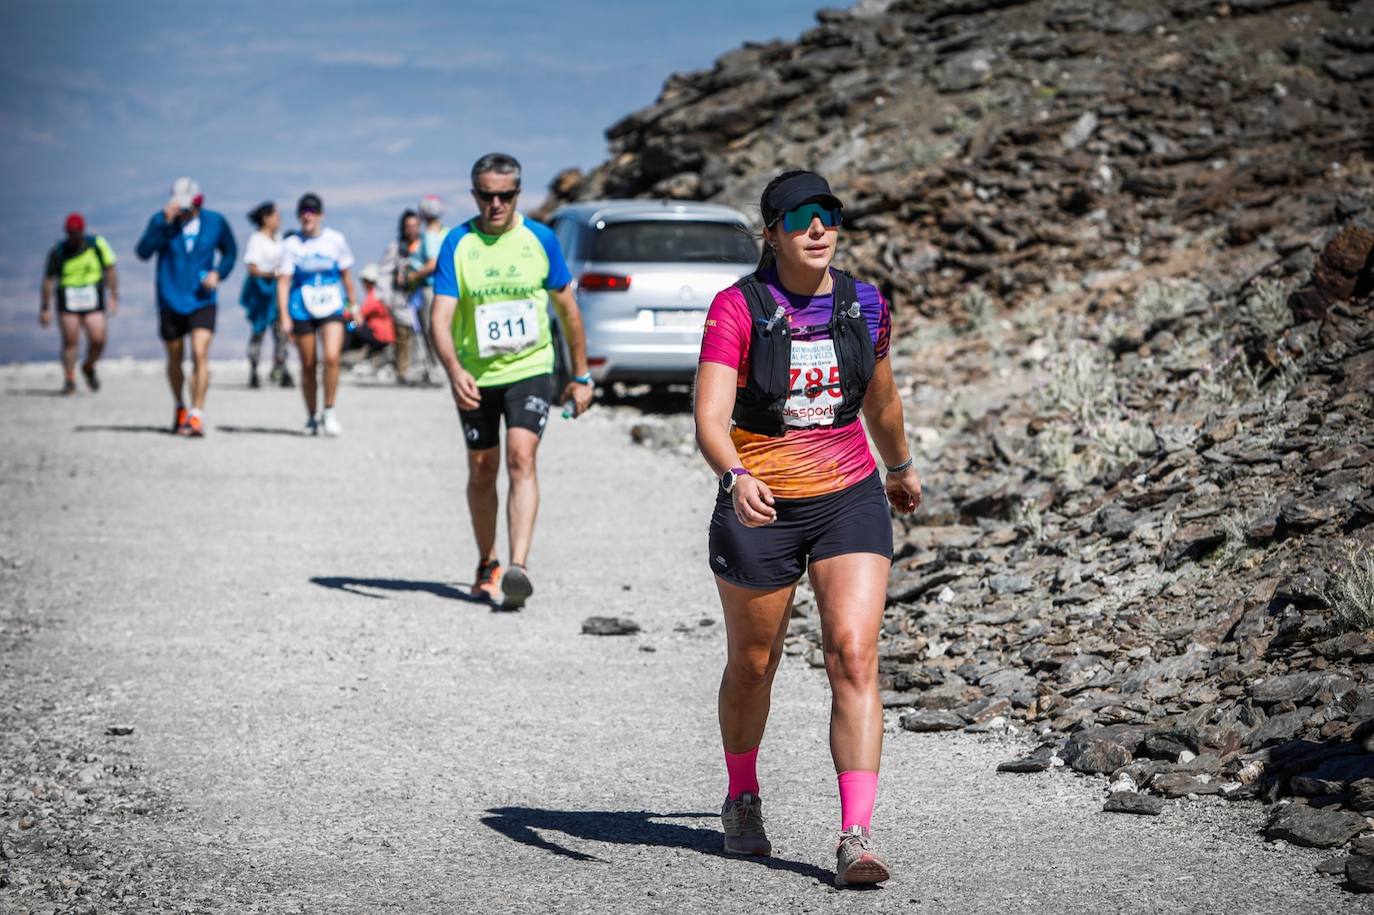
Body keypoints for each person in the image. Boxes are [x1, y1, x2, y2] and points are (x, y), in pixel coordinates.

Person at [692, 170, 922, 887]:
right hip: (760, 497)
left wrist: (900, 465)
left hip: (848, 494)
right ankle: (741, 793)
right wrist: (735, 474)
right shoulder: (738, 307)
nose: (818, 228)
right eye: (800, 217)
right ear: (772, 232)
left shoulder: (864, 302)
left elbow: (880, 396)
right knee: (754, 664)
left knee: (853, 656)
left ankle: (856, 835)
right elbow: (708, 416)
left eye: (828, 214)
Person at [430, 153, 594, 609]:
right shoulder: (457, 243)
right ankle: (488, 562)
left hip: (531, 369)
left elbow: (568, 311)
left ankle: (518, 568)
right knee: (483, 469)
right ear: (475, 194)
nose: (496, 204)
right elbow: (440, 318)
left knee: (521, 458)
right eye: (487, 196)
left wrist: (580, 375)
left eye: (505, 195)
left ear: (518, 194)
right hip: (476, 376)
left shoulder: (540, 239)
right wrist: (454, 369)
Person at [136, 177, 237, 437]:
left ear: (197, 203)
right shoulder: (163, 222)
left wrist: (219, 273)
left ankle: (196, 413)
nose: (183, 211)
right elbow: (143, 251)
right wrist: (163, 223)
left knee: (200, 354)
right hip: (170, 298)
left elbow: (230, 252)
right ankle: (180, 405)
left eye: (187, 207)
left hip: (202, 298)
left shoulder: (215, 222)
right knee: (175, 357)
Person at [277, 192, 358, 437]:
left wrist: (354, 306)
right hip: (301, 307)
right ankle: (312, 415)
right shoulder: (291, 244)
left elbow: (346, 275)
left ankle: (330, 411)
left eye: (312, 211)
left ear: (320, 215)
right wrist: (284, 317)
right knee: (308, 364)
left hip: (331, 304)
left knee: (332, 357)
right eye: (303, 211)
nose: (307, 216)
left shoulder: (335, 240)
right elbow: (283, 282)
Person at [40, 213, 118, 394]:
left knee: (98, 339)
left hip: (93, 298)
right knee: (70, 340)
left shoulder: (96, 245)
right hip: (68, 299)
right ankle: (69, 379)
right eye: (70, 232)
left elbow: (111, 268)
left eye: (76, 232)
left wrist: (113, 295)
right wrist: (45, 307)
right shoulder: (58, 251)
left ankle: (88, 366)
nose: (73, 235)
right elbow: (48, 280)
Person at [239, 201, 292, 389]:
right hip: (262, 291)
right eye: (276, 217)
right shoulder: (256, 239)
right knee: (259, 332)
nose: (279, 220)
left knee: (281, 332)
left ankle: (281, 369)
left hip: (278, 290)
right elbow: (252, 268)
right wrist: (272, 274)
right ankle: (254, 370)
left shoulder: (278, 239)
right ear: (266, 218)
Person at [379, 210, 422, 383]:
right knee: (403, 336)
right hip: (401, 298)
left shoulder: (425, 245)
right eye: (408, 226)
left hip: (422, 295)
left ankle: (424, 369)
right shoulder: (396, 247)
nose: (412, 229)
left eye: (415, 226)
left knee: (425, 334)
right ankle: (403, 371)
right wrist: (387, 298)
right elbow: (384, 273)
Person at [347, 263, 395, 366]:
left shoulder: (374, 297)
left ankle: (347, 355)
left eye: (364, 281)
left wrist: (349, 310)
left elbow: (359, 316)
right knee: (354, 325)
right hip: (385, 334)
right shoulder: (379, 295)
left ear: (369, 282)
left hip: (381, 336)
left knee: (352, 326)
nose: (362, 284)